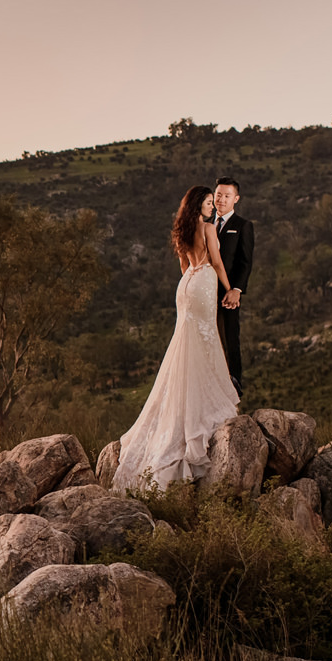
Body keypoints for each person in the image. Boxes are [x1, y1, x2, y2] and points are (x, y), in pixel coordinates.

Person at [111, 185, 240, 493]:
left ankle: (184, 405)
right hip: (205, 281)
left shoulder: (182, 229)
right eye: (209, 202)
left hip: (187, 284)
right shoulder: (208, 228)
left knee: (186, 344)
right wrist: (230, 287)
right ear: (199, 204)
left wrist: (193, 277)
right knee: (205, 342)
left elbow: (184, 265)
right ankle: (201, 407)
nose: (212, 207)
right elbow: (217, 261)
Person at [212, 176, 254, 396]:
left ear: (235, 199)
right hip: (205, 292)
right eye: (218, 194)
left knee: (230, 338)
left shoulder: (243, 226)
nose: (221, 199)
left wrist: (236, 290)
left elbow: (245, 262)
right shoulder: (206, 224)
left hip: (229, 294)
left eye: (227, 196)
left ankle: (234, 387)